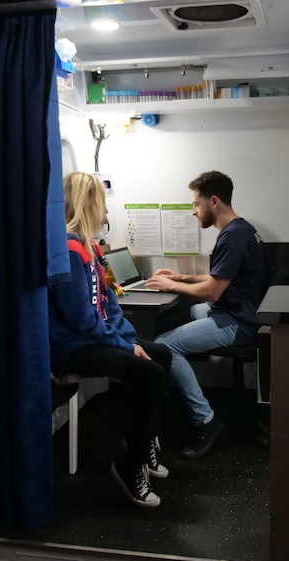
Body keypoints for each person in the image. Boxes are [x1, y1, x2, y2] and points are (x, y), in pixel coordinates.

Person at [48, 171, 172, 508]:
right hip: (71, 347)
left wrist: (130, 341)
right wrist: (125, 347)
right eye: (101, 206)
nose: (105, 215)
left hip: (94, 338)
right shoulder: (70, 252)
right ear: (88, 204)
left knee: (160, 355)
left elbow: (109, 303)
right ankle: (130, 465)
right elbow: (82, 320)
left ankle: (142, 441)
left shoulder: (90, 249)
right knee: (150, 373)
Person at [146, 170, 271, 459]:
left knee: (165, 346)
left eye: (195, 204)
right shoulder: (240, 229)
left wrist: (171, 285)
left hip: (238, 321)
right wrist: (180, 277)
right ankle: (174, 390)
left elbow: (213, 291)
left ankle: (205, 419)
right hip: (239, 308)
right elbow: (220, 280)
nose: (193, 211)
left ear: (213, 201)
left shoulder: (233, 237)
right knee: (183, 313)